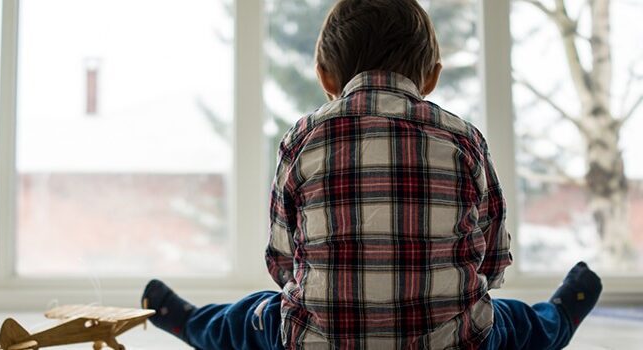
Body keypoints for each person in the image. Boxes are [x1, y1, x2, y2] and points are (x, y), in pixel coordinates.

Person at [141, 0, 602, 348]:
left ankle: (188, 320)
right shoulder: (465, 140)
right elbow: (494, 263)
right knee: (517, 323)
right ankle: (561, 314)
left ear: (325, 77)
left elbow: (282, 264)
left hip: (318, 342)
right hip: (452, 342)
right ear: (432, 77)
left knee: (247, 318)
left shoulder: (302, 139)